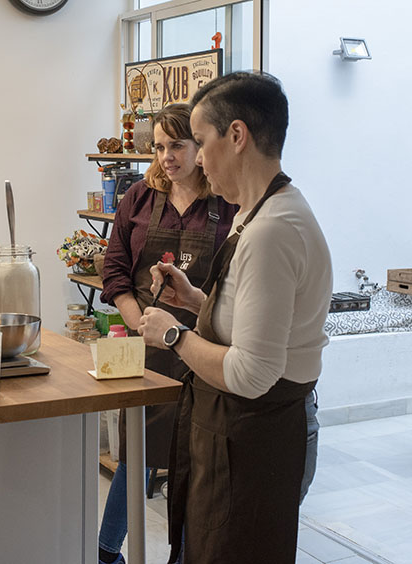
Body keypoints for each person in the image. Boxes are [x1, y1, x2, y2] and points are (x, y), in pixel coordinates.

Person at [138, 72, 332, 564]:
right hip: (235, 435)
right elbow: (258, 324)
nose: (199, 158)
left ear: (238, 135)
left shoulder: (272, 230)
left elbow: (252, 373)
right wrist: (196, 301)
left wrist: (174, 334)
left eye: (200, 141)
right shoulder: (253, 213)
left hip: (255, 440)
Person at [98, 103, 237, 564]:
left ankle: (181, 556)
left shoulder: (227, 202)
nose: (166, 157)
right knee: (137, 453)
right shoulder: (138, 198)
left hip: (207, 346)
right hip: (149, 347)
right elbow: (115, 269)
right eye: (159, 147)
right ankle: (106, 552)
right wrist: (138, 321)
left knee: (195, 458)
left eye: (176, 145)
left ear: (201, 146)